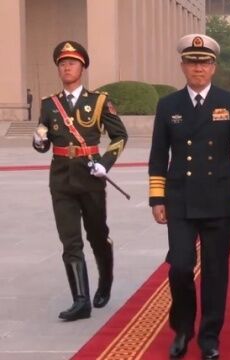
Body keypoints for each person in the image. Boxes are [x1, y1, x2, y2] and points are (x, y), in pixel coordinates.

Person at [148, 34, 230, 360]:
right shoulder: (168, 105)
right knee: (179, 266)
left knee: (215, 271)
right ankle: (182, 328)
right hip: (180, 198)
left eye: (204, 62)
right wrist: (157, 198)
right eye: (192, 62)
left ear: (214, 67)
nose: (198, 68)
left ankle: (209, 336)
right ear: (182, 65)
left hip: (219, 198)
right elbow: (157, 155)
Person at [32, 41, 128, 321]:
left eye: (72, 63)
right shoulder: (49, 104)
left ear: (82, 68)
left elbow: (120, 136)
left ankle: (106, 279)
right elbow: (44, 141)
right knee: (70, 241)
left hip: (90, 177)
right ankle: (81, 300)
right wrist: (38, 141)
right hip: (61, 178)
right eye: (62, 64)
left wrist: (104, 163)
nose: (67, 67)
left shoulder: (98, 101)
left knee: (97, 235)